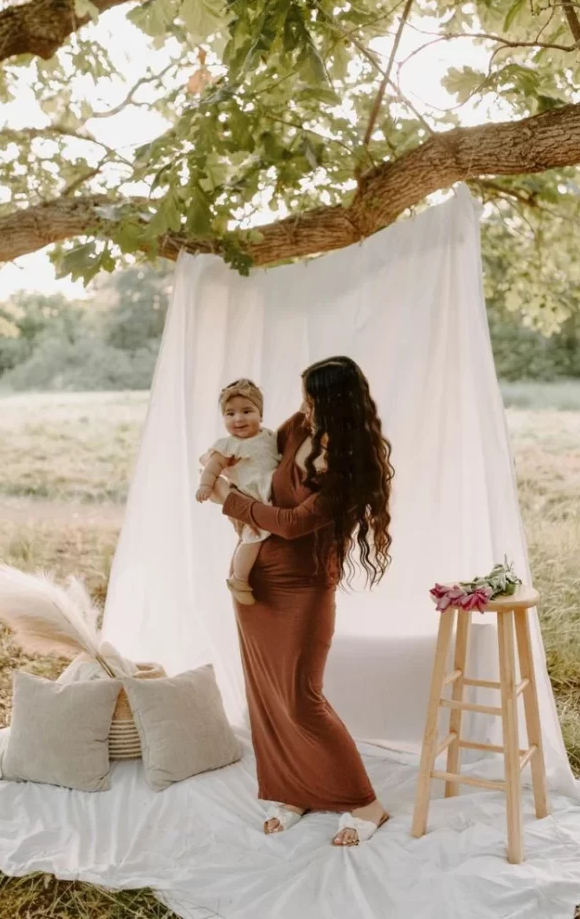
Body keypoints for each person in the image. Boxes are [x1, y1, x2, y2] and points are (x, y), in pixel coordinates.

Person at [208, 355, 394, 847]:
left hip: (304, 585)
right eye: (303, 398)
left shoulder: (351, 465)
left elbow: (292, 523)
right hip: (258, 578)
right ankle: (293, 789)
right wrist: (220, 465)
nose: (303, 408)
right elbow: (256, 457)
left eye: (312, 399)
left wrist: (229, 498)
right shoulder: (294, 428)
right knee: (266, 695)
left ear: (334, 402)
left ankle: (365, 803)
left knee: (299, 698)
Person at [196, 379, 279, 606]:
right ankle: (239, 578)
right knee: (253, 537)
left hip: (271, 495)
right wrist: (205, 485)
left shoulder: (269, 436)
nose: (238, 419)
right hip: (252, 498)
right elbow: (212, 467)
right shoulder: (228, 445)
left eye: (247, 411)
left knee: (264, 533)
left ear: (260, 415)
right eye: (230, 414)